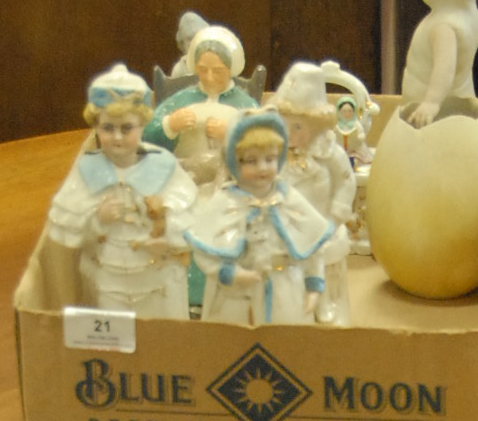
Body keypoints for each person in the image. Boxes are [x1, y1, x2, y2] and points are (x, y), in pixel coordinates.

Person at [43, 65, 196, 317]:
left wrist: (163, 221)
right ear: (96, 126)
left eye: (126, 128)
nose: (117, 137)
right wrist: (97, 219)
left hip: (156, 282)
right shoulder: (87, 170)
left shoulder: (164, 165)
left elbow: (188, 214)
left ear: (142, 125)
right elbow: (67, 228)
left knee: (157, 329)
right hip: (109, 282)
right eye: (107, 128)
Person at [185, 110, 347, 327]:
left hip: (287, 294)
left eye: (269, 159)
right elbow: (203, 250)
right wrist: (229, 273)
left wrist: (313, 285)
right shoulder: (224, 202)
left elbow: (313, 244)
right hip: (236, 300)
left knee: (285, 342)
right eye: (251, 161)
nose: (262, 168)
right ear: (234, 162)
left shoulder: (289, 199)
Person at [272, 62, 356, 324]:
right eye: (285, 125)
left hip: (321, 224)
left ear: (316, 125)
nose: (290, 134)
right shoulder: (274, 151)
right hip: (284, 224)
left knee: (322, 256)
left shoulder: (328, 152)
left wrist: (336, 215)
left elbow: (346, 180)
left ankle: (325, 303)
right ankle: (287, 308)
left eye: (298, 127)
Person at [143, 25, 257, 189]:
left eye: (218, 71)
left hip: (231, 184)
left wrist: (232, 132)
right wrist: (170, 125)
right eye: (203, 70)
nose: (209, 78)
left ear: (230, 69)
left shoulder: (244, 104)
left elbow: (264, 139)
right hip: (183, 180)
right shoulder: (182, 99)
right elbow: (146, 135)